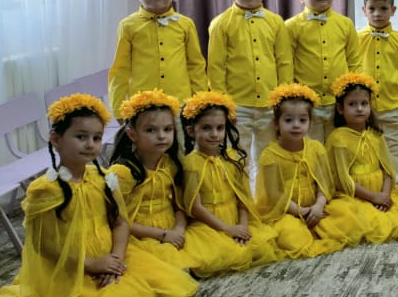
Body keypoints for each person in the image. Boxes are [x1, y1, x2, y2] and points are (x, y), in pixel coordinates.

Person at [0, 94, 197, 297]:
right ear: (56, 139)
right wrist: (91, 264)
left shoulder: (103, 178)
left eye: (96, 138)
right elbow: (44, 245)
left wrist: (116, 259)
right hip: (72, 265)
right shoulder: (45, 189)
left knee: (153, 285)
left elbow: (120, 222)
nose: (90, 144)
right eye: (81, 137)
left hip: (109, 254)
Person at [256, 83, 366, 258]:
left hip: (316, 207)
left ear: (310, 123)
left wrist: (318, 206)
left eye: (302, 120)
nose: (296, 125)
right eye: (288, 120)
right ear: (276, 123)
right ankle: (303, 230)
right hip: (285, 211)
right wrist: (301, 211)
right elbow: (274, 195)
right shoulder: (269, 156)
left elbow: (324, 183)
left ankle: (317, 226)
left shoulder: (315, 148)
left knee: (348, 220)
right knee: (291, 239)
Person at [207, 0, 291, 177]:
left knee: (269, 155)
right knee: (236, 154)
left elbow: (284, 62)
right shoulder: (220, 24)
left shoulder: (276, 22)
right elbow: (216, 67)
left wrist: (283, 98)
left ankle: (266, 192)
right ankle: (239, 191)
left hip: (269, 103)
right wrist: (223, 104)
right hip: (237, 105)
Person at [179, 91, 281, 272]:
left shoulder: (232, 158)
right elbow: (195, 207)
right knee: (218, 256)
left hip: (235, 218)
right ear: (191, 131)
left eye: (220, 128)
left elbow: (242, 198)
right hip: (208, 224)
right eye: (206, 128)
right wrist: (227, 229)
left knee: (261, 247)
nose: (214, 134)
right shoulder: (191, 164)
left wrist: (242, 225)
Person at [108, 90, 197, 272]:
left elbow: (179, 207)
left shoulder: (169, 164)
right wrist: (163, 235)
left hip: (171, 227)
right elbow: (116, 221)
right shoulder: (123, 173)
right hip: (139, 234)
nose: (162, 136)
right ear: (132, 134)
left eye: (167, 129)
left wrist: (178, 230)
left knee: (202, 256)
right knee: (171, 272)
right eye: (151, 130)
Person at [108, 0, 208, 118]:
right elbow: (120, 70)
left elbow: (196, 65)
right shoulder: (127, 26)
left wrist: (200, 102)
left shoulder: (186, 24)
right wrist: (119, 110)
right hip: (142, 106)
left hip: (181, 105)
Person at [326, 72, 398, 243]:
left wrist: (384, 195)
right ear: (340, 108)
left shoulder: (375, 135)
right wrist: (373, 197)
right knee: (361, 222)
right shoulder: (338, 138)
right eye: (352, 104)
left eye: (364, 103)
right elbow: (342, 179)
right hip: (356, 196)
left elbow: (387, 170)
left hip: (381, 193)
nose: (359, 109)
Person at [281, 0, 360, 142]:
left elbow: (354, 61)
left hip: (339, 102)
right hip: (307, 103)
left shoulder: (346, 24)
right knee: (311, 147)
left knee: (338, 145)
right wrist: (290, 97)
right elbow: (286, 63)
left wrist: (354, 94)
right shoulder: (291, 26)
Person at [358, 0, 398, 175]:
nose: (377, 13)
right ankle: (370, 180)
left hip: (391, 104)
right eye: (372, 8)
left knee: (393, 147)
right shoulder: (357, 38)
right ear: (364, 10)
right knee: (366, 145)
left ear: (393, 10)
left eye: (383, 8)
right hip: (363, 106)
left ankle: (397, 183)